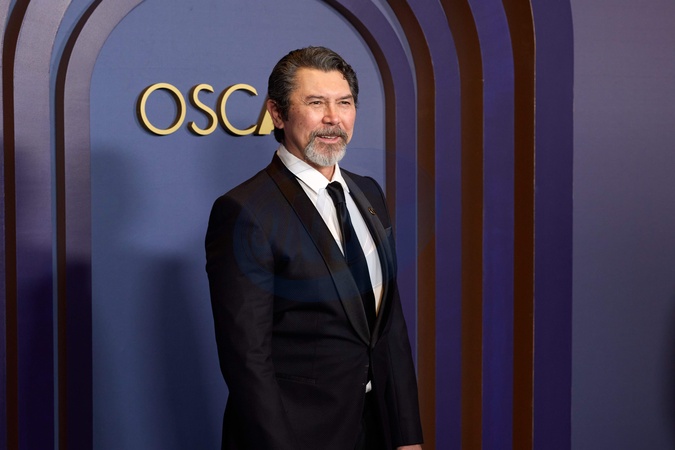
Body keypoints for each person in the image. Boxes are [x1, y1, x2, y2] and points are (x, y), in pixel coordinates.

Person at [205, 46, 423, 450]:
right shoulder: (245, 211)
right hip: (296, 435)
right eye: (316, 102)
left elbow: (389, 326)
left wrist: (407, 435)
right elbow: (247, 361)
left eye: (344, 102)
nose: (333, 118)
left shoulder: (369, 193)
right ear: (277, 113)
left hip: (375, 430)